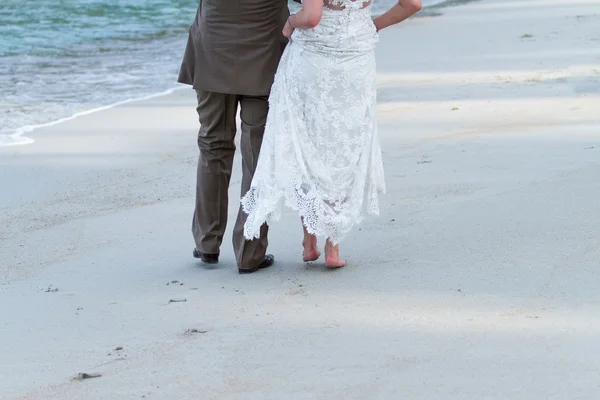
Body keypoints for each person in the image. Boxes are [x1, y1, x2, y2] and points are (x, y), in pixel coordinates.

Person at [241, 0, 422, 268]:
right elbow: (412, 3)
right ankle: (333, 247)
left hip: (313, 58)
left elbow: (312, 17)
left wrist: (290, 22)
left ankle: (309, 241)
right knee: (342, 144)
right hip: (356, 57)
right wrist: (371, 25)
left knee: (309, 142)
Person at [177, 0, 289, 274]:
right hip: (264, 51)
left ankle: (207, 242)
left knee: (213, 144)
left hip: (213, 48)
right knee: (257, 151)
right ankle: (249, 251)